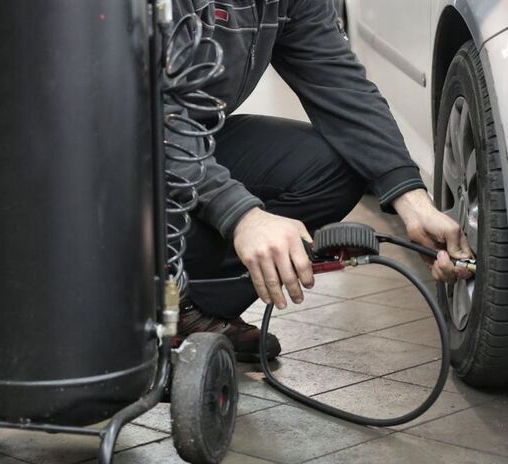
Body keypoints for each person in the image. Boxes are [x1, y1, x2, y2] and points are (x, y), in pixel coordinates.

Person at [169, 0, 472, 362]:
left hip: (189, 137)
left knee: (336, 167)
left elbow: (340, 85)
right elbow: (139, 114)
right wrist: (241, 216)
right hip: (110, 156)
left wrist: (413, 201)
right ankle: (121, 293)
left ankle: (187, 307)